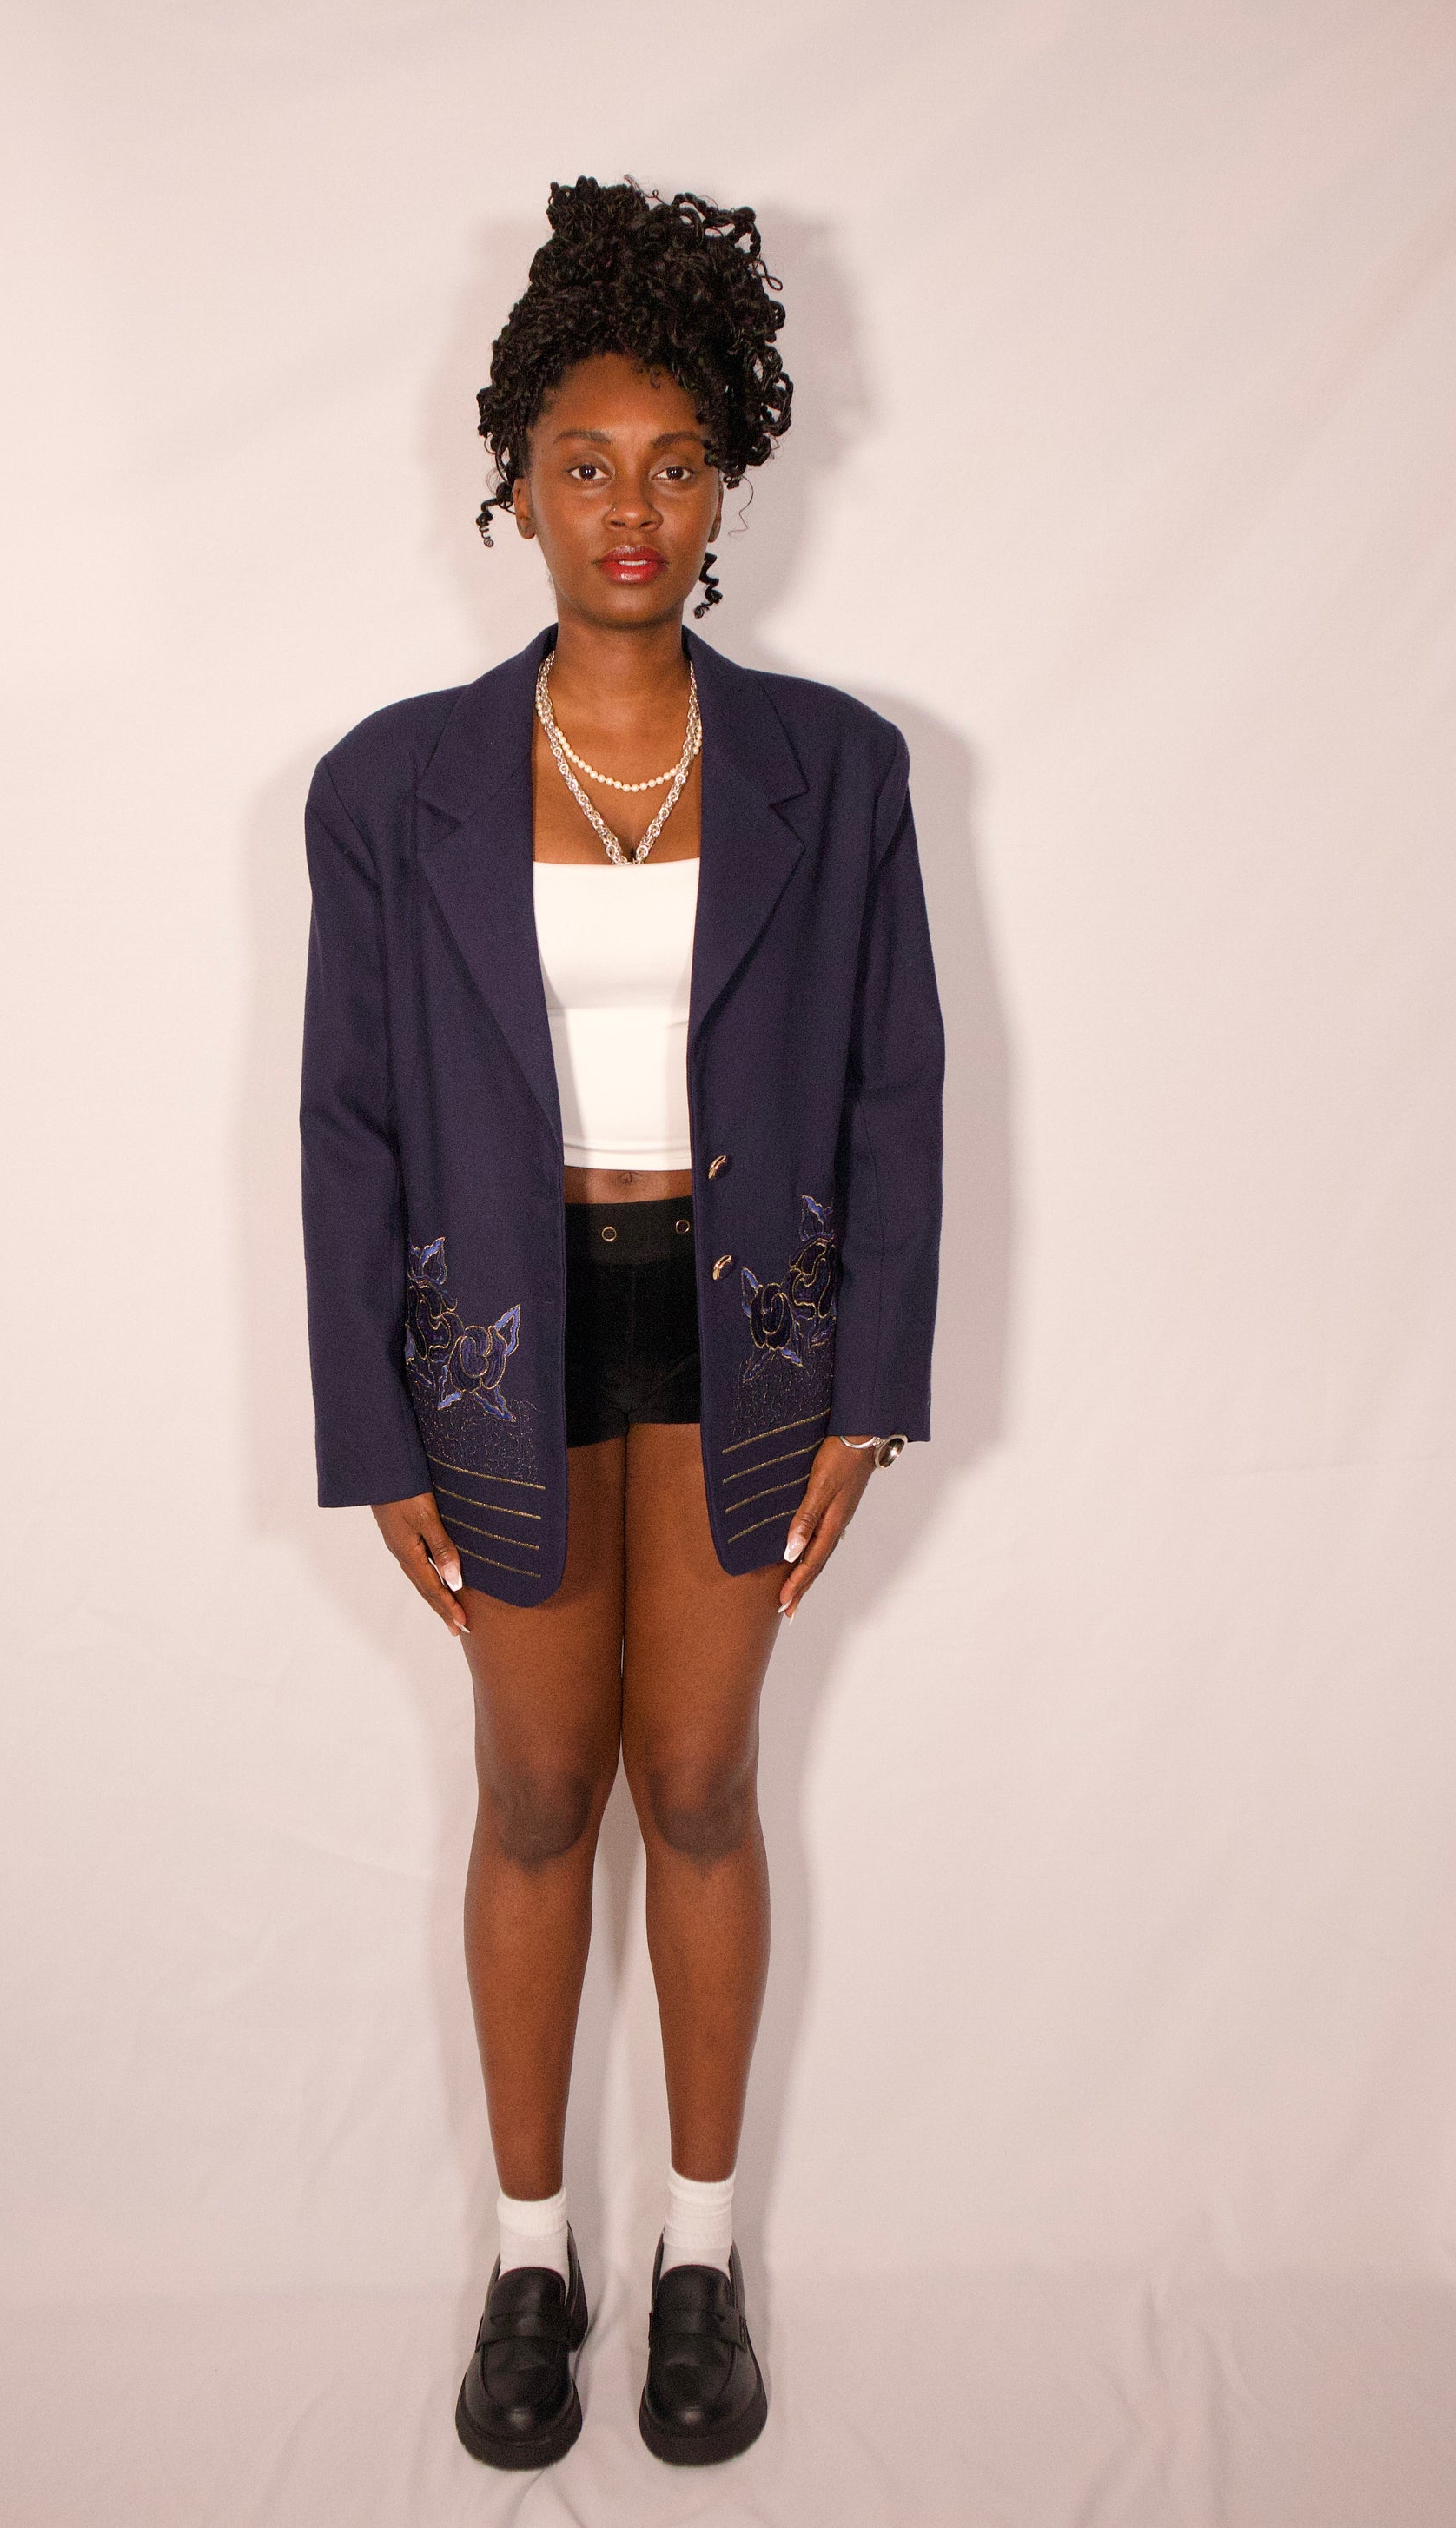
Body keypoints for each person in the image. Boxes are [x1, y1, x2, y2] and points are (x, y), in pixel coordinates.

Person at [299, 176, 943, 2472]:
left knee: (697, 1785)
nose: (631, 508)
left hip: (746, 1333)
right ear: (515, 481)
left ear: (729, 480)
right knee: (535, 1788)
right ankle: (524, 2257)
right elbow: (348, 1121)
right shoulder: (390, 788)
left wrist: (874, 1394)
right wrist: (372, 1428)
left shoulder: (835, 774)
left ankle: (696, 2255)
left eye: (674, 463)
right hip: (500, 1337)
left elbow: (893, 1088)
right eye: (586, 463)